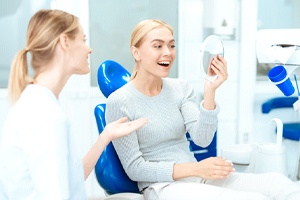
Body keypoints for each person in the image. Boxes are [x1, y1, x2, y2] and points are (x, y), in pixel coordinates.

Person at [105, 19, 300, 200]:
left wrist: (210, 92)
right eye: (158, 46)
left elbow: (202, 138)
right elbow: (135, 168)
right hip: (161, 187)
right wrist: (195, 168)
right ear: (136, 52)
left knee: (279, 184)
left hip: (196, 176)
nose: (167, 52)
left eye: (171, 45)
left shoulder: (180, 88)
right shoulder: (120, 101)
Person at [0, 9, 148, 199]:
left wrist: (106, 136)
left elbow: (72, 179)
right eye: (83, 39)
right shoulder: (45, 114)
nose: (89, 49)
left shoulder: (38, 102)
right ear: (64, 42)